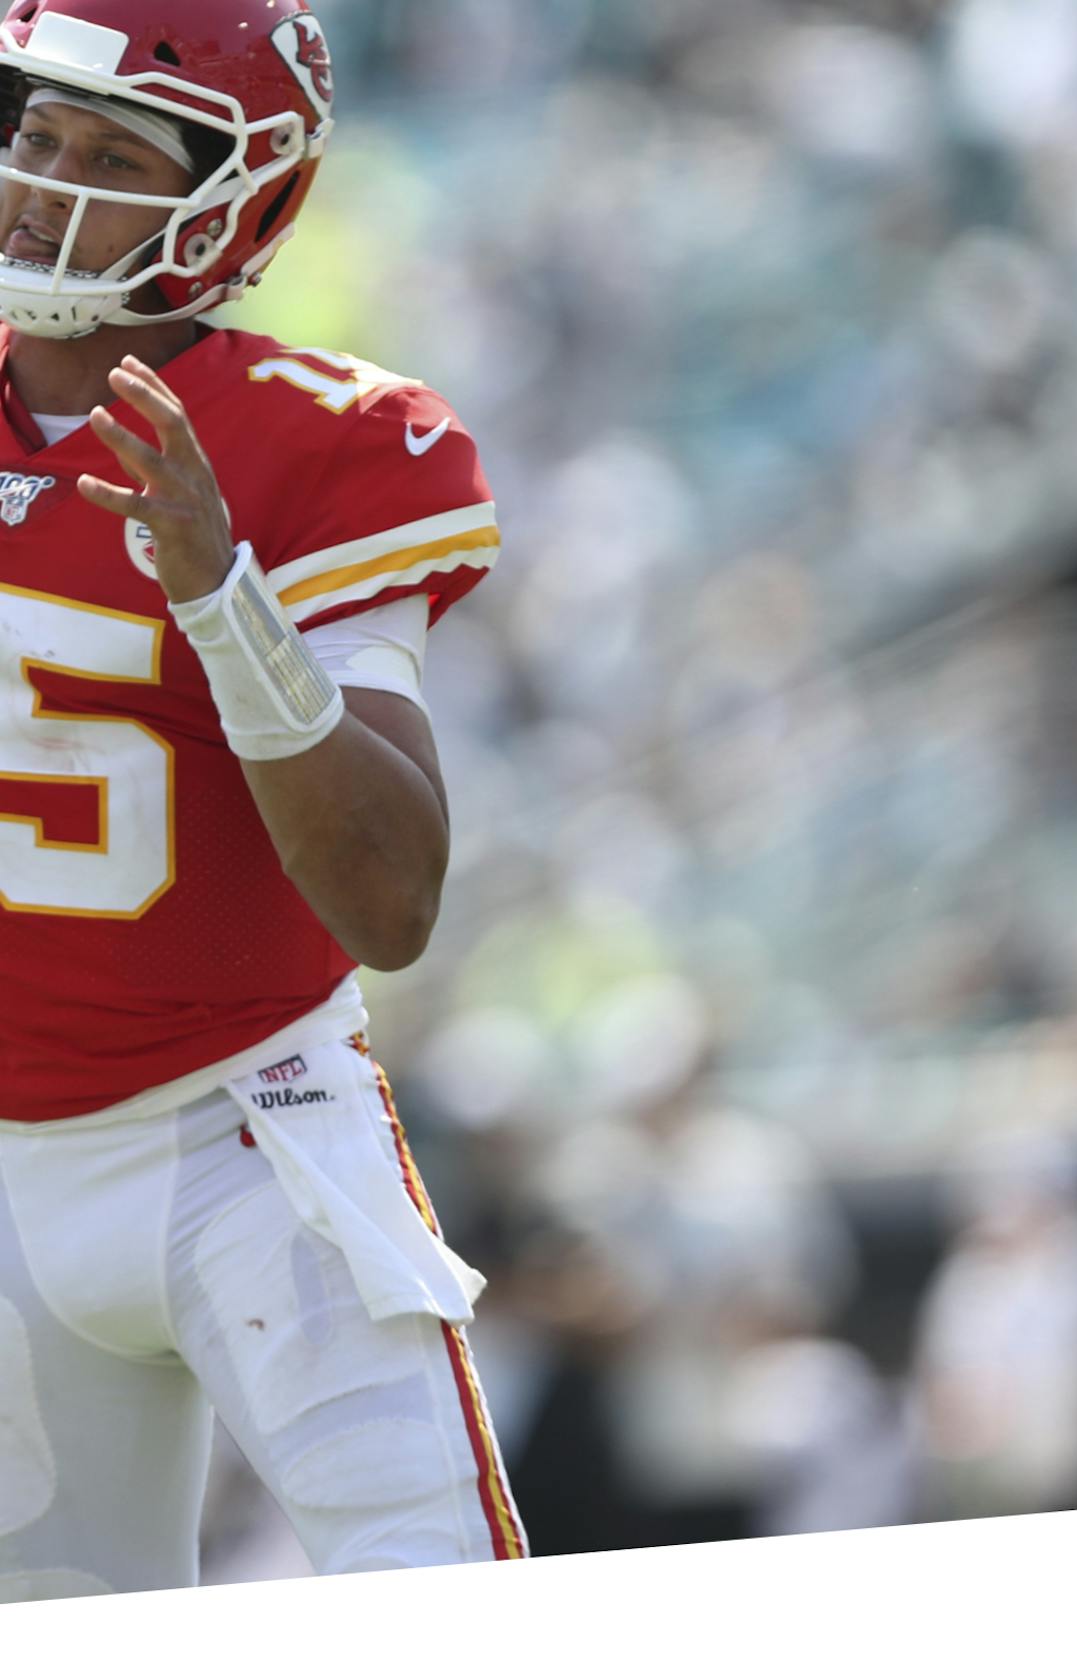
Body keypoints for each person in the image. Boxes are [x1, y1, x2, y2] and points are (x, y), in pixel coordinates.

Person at [0, 0, 527, 1598]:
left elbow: (391, 901)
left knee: (439, 1601)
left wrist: (222, 596)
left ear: (233, 202)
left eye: (106, 155)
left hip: (250, 1136)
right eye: (34, 133)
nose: (41, 183)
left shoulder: (325, 448)